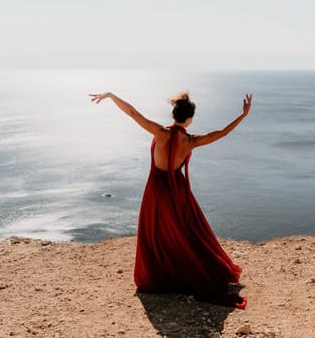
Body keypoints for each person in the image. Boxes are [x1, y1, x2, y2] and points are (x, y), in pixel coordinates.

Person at [89, 91, 252, 308]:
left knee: (155, 232)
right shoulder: (190, 141)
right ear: (189, 118)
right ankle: (188, 272)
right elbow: (221, 133)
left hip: (156, 188)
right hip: (178, 191)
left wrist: (111, 96)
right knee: (186, 233)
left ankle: (162, 276)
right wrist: (243, 115)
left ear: (174, 114)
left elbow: (132, 112)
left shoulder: (159, 132)